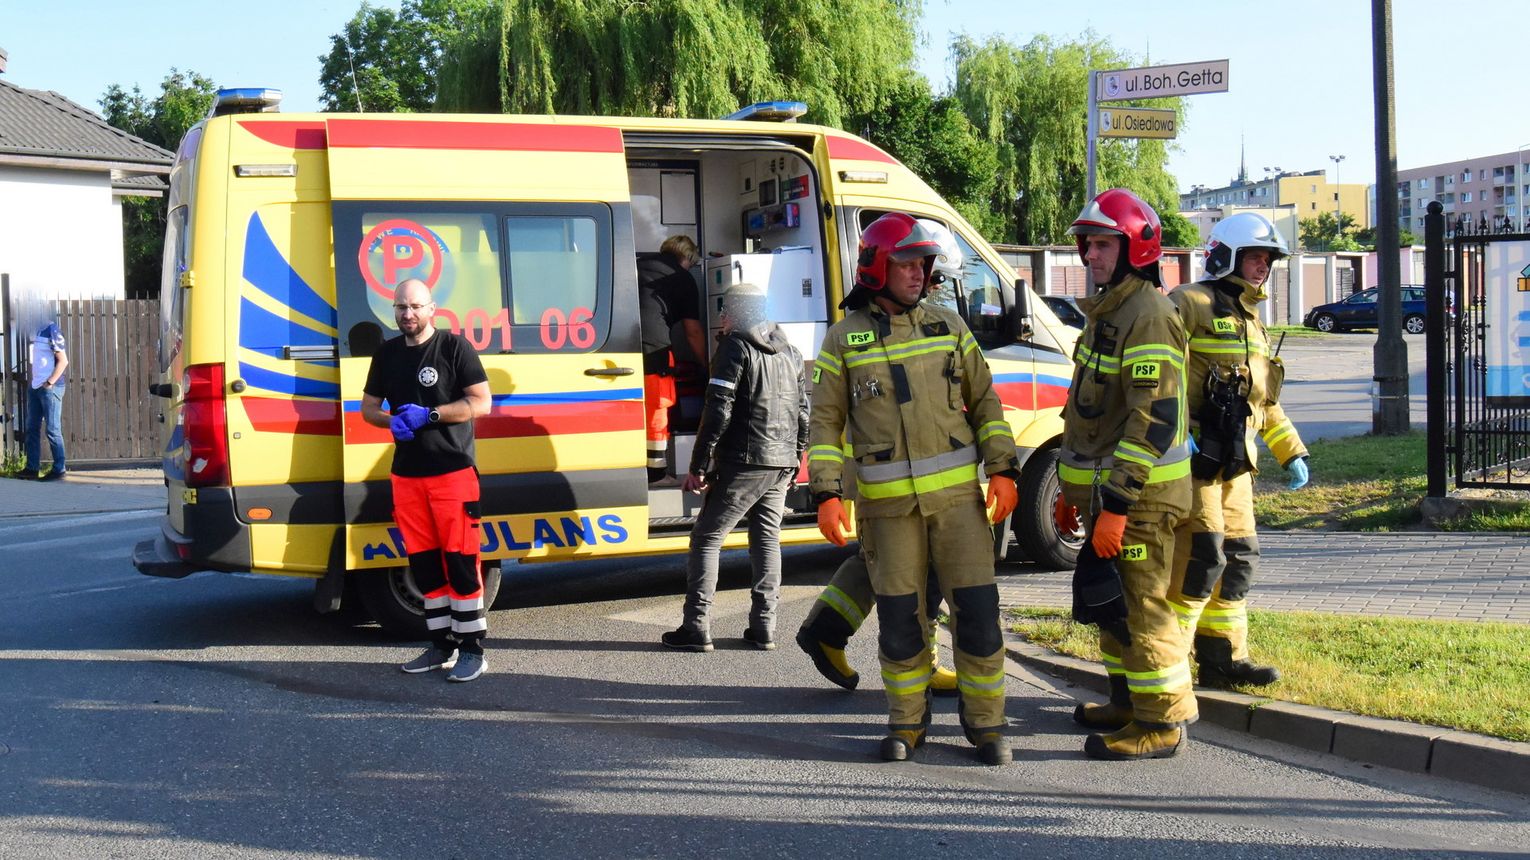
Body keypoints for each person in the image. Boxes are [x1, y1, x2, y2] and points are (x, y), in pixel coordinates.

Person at [808, 212, 1020, 766]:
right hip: (888, 513)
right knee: (902, 620)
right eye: (906, 263)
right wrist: (827, 493)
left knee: (977, 614)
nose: (918, 274)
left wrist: (1004, 468)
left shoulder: (949, 328)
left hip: (960, 510)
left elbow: (987, 404)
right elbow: (825, 424)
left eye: (923, 264)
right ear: (878, 266)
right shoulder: (843, 339)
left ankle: (988, 726)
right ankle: (906, 724)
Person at [795, 220, 968, 695]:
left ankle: (826, 630)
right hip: (889, 474)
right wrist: (826, 492)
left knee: (881, 563)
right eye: (915, 270)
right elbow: (827, 421)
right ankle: (919, 663)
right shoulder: (852, 334)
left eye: (930, 274)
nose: (926, 285)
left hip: (905, 475)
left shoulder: (932, 324)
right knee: (913, 571)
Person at [1057, 188, 1196, 760]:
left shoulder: (1149, 316)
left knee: (1143, 606)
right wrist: (1072, 492)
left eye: (1102, 244)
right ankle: (1125, 702)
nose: (1090, 255)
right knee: (1111, 607)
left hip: (1141, 499)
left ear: (1136, 246)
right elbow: (1084, 412)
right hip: (1107, 495)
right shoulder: (1111, 311)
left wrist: (1115, 507)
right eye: (1088, 244)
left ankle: (1160, 725)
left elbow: (1153, 420)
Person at [1166, 212, 1310, 689]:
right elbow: (1162, 375)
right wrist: (1175, 432)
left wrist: (1291, 452)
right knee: (1201, 559)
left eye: (1267, 258)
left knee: (1239, 556)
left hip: (1238, 465)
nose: (1262, 266)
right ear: (1225, 255)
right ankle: (1169, 664)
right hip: (1195, 463)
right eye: (1253, 256)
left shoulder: (1252, 320)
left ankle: (1224, 658)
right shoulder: (1189, 302)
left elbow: (1263, 401)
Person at [661, 282, 808, 653]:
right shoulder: (789, 350)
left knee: (707, 538)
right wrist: (795, 459)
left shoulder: (734, 347)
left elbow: (718, 409)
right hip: (780, 461)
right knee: (766, 540)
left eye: (727, 309)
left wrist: (698, 464)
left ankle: (696, 627)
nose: (722, 316)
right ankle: (764, 627)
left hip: (742, 461)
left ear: (742, 312)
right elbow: (804, 410)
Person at [360, 278, 492, 682]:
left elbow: (481, 402)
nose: (408, 314)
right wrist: (390, 421)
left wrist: (430, 415)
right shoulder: (386, 354)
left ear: (432, 308)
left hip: (452, 472)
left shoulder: (454, 348)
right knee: (424, 564)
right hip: (407, 476)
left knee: (461, 561)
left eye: (415, 306)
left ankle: (472, 650)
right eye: (401, 307)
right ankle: (440, 645)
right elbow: (368, 409)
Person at [638, 235, 707, 483]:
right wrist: (707, 364)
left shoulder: (639, 263)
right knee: (658, 406)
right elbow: (693, 332)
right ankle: (656, 474)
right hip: (654, 348)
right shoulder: (682, 277)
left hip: (622, 345)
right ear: (687, 257)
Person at [20, 317, 69, 481]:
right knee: (32, 428)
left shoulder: (52, 330)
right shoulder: (36, 330)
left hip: (50, 387)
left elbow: (63, 361)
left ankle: (59, 469)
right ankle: (32, 468)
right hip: (35, 387)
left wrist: (49, 383)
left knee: (52, 430)